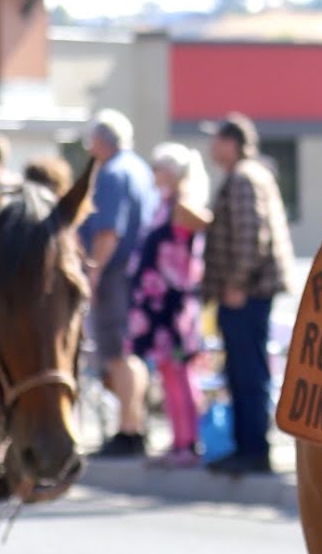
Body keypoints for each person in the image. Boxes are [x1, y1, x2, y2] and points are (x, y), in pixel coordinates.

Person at [201, 113, 294, 477]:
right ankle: (245, 446)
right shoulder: (249, 176)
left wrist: (236, 284)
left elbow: (251, 237)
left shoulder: (243, 178)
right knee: (242, 371)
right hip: (246, 291)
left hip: (246, 293)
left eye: (216, 139)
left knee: (248, 372)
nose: (211, 146)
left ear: (231, 143)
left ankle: (254, 449)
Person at [79, 111, 160, 456]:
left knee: (117, 354)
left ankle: (128, 429)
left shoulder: (112, 173)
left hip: (116, 274)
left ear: (101, 141)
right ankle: (134, 424)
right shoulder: (139, 169)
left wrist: (93, 274)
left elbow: (108, 231)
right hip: (137, 272)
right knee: (129, 353)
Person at [127, 143, 212, 467]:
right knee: (168, 372)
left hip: (173, 306)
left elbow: (206, 228)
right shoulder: (164, 203)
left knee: (180, 371)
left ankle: (189, 442)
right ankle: (179, 438)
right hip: (158, 304)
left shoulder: (182, 204)